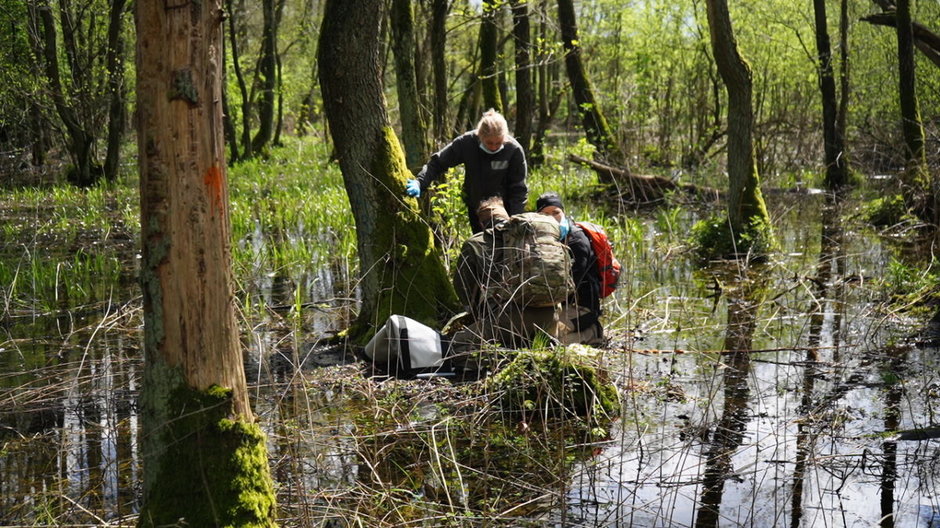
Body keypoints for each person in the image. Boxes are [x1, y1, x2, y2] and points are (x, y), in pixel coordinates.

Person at [405, 109, 528, 233]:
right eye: (489, 143)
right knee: (481, 245)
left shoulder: (513, 150)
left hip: (505, 208)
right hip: (476, 206)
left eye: (498, 142)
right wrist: (420, 182)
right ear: (480, 136)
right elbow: (438, 163)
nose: (494, 147)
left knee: (504, 244)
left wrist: (514, 219)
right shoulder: (467, 143)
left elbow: (518, 189)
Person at [535, 191, 605, 346]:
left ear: (563, 212)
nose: (551, 217)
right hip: (555, 304)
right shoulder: (537, 238)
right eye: (545, 214)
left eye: (556, 212)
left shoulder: (576, 240)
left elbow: (572, 283)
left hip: (580, 307)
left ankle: (593, 332)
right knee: (526, 331)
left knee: (547, 339)